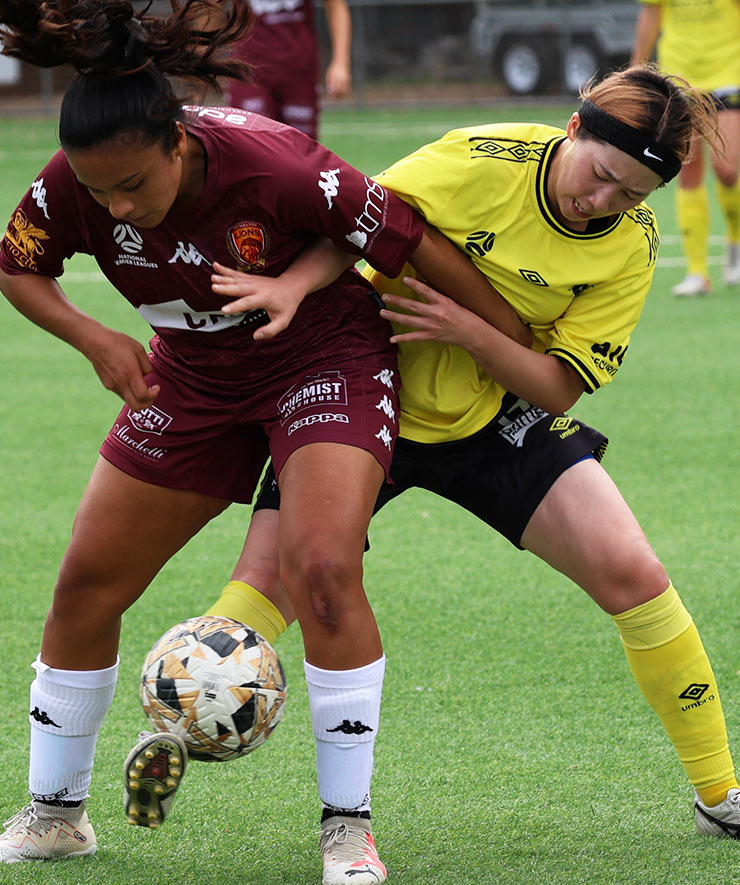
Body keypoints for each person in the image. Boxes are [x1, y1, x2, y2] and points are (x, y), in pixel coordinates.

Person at [0, 1, 529, 880]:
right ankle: (56, 813)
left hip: (322, 360)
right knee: (87, 583)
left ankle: (347, 829)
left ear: (179, 141)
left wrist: (513, 342)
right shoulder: (75, 181)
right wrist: (96, 338)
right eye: (99, 194)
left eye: (133, 184)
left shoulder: (277, 168)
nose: (117, 206)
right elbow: (18, 264)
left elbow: (407, 237)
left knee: (322, 568)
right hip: (194, 379)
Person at [166, 64, 740, 872]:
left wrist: (466, 327)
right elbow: (356, 219)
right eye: (602, 176)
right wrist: (293, 285)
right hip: (366, 397)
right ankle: (172, 737)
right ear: (573, 131)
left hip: (492, 415)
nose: (603, 202)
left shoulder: (631, 247)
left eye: (630, 195)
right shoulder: (479, 159)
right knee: (265, 591)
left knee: (635, 573)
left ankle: (721, 792)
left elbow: (555, 381)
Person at [631, 0, 740, 296]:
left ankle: (735, 241)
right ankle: (697, 272)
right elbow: (651, 13)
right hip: (680, 75)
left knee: (727, 169)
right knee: (687, 170)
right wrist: (636, 68)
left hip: (728, 72)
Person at [223, 0, 352, 139]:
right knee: (249, 144)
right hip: (248, 70)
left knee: (300, 147)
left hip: (299, 70)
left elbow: (336, 7)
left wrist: (340, 63)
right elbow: (210, 8)